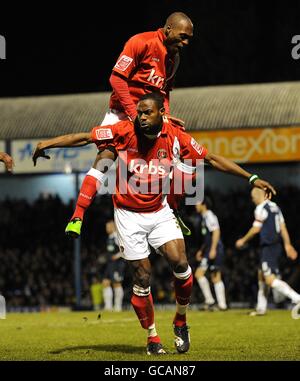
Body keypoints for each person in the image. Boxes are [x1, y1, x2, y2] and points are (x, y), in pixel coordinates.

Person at [32, 92, 276, 355]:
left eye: (147, 112)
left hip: (159, 210)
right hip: (127, 215)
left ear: (162, 113)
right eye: (139, 112)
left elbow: (212, 158)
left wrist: (252, 178)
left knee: (181, 264)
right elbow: (84, 137)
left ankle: (180, 321)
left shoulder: (175, 136)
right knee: (142, 276)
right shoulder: (123, 130)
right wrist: (47, 143)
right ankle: (152, 336)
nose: (141, 117)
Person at [64, 12, 194, 239]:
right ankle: (77, 216)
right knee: (105, 158)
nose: (186, 42)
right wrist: (133, 114)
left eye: (189, 38)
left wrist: (166, 117)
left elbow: (164, 93)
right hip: (122, 113)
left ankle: (173, 212)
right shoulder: (140, 42)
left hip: (151, 116)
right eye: (183, 36)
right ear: (168, 29)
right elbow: (116, 79)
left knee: (178, 160)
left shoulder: (174, 59)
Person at [235, 188, 300, 316]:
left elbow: (256, 229)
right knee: (261, 276)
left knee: (270, 279)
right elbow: (282, 227)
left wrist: (243, 240)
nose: (252, 200)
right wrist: (287, 245)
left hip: (268, 247)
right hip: (275, 246)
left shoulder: (260, 208)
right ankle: (261, 308)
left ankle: (297, 298)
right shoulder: (275, 207)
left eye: (253, 197)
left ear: (257, 196)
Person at [194, 197, 227, 311]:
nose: (195, 206)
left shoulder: (209, 216)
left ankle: (218, 303)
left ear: (204, 204)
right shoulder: (204, 217)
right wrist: (201, 250)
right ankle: (213, 302)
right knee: (207, 275)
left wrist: (213, 249)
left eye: (197, 204)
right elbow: (207, 237)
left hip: (215, 249)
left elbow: (216, 232)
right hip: (209, 250)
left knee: (214, 276)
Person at [102, 220, 126, 312]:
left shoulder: (117, 237)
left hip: (117, 263)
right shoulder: (109, 237)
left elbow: (124, 249)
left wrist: (116, 256)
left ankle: (118, 306)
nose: (106, 229)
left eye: (108, 227)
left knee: (116, 283)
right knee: (105, 282)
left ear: (113, 227)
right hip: (110, 264)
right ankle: (108, 307)